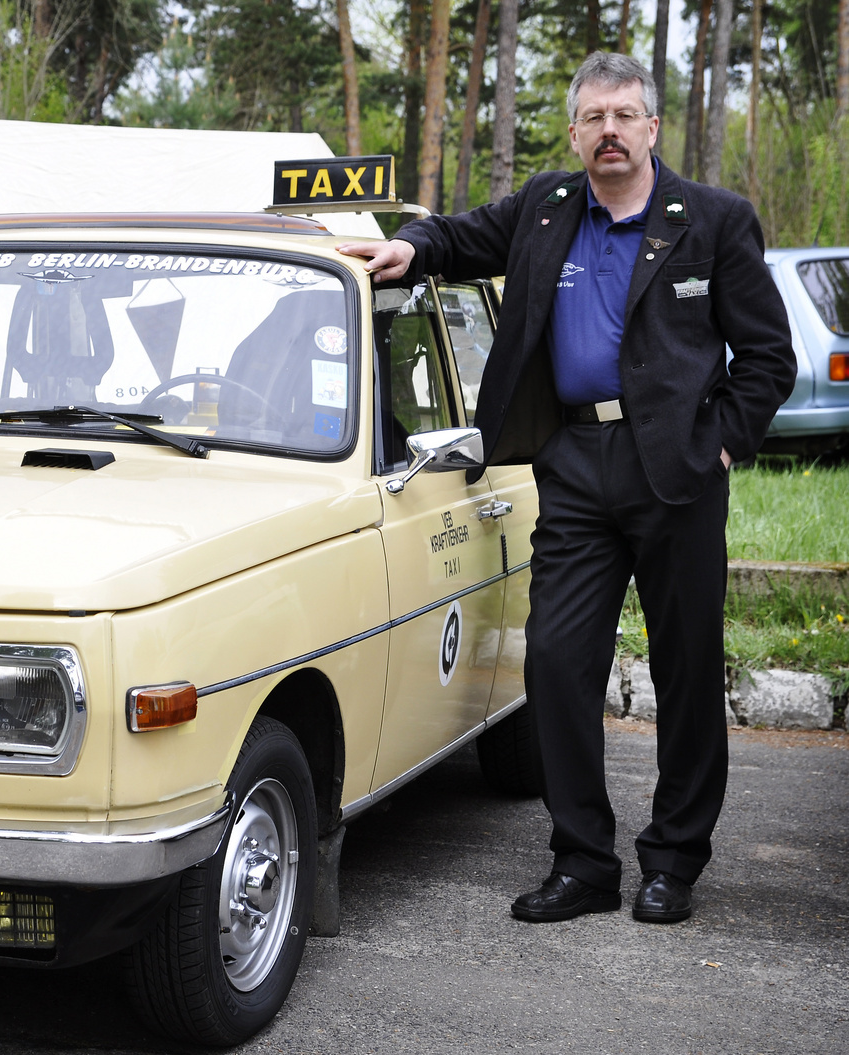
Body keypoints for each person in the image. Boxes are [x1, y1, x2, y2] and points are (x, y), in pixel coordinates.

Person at [339, 52, 794, 925]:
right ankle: (583, 862)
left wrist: (724, 446)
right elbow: (463, 234)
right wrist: (409, 245)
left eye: (626, 115)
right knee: (555, 662)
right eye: (594, 117)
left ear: (653, 127)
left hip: (678, 474)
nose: (610, 131)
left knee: (687, 669)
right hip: (575, 465)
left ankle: (673, 862)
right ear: (576, 129)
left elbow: (769, 357)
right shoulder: (548, 207)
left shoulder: (713, 221)